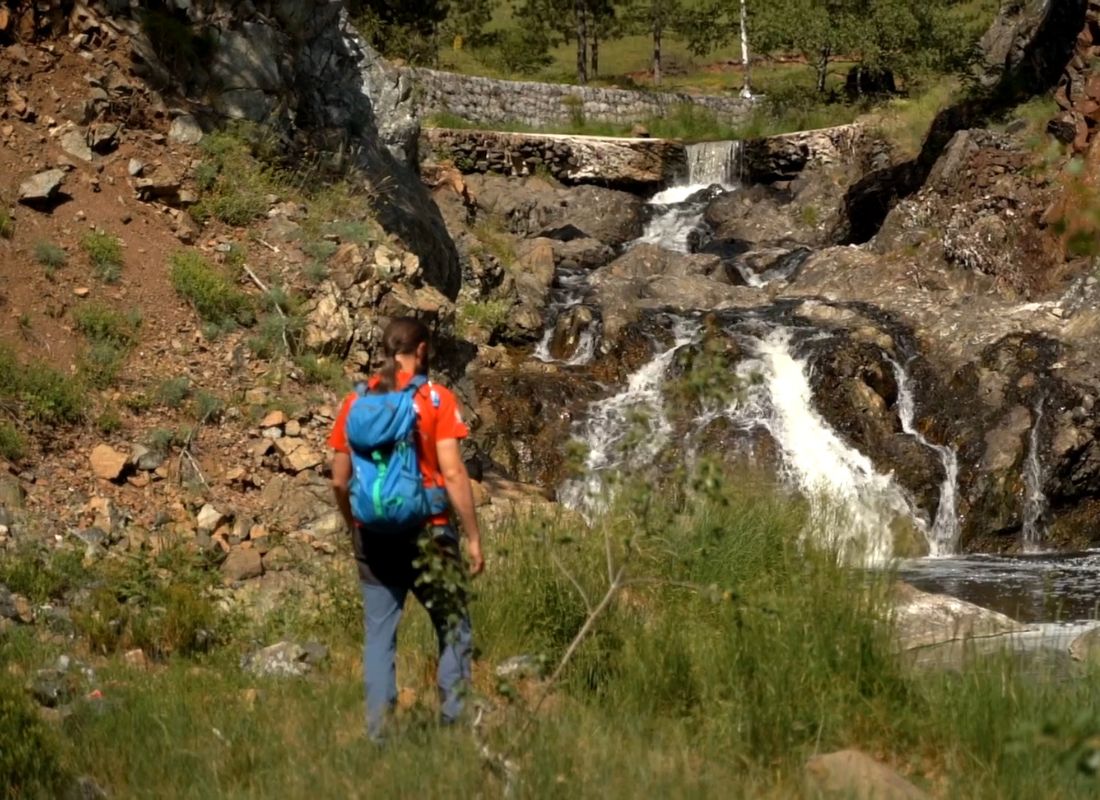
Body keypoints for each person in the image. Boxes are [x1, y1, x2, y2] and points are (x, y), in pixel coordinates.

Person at [328, 317, 484, 740]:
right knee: (454, 628)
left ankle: (380, 739)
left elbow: (340, 479)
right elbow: (453, 474)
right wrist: (472, 536)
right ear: (421, 351)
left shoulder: (355, 402)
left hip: (373, 536)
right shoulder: (436, 400)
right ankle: (453, 728)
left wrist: (352, 524)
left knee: (380, 639)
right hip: (430, 532)